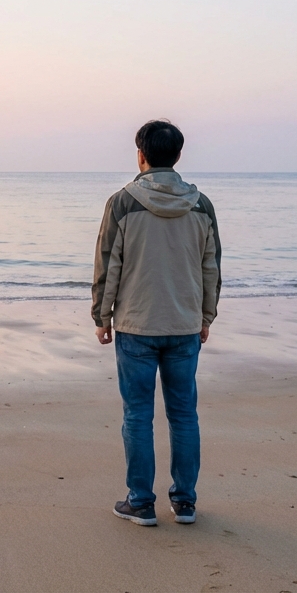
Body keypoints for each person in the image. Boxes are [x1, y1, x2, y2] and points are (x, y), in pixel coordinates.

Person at [92, 120, 221, 527]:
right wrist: (206, 315)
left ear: (140, 155)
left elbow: (108, 263)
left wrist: (101, 315)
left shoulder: (122, 203)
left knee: (137, 415)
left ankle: (141, 502)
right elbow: (210, 267)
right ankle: (184, 502)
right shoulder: (201, 205)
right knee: (184, 414)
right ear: (178, 156)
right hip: (183, 324)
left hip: (136, 324)